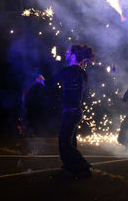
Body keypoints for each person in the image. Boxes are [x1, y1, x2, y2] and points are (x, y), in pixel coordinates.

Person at [36, 44, 95, 178]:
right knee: (71, 140)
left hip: (70, 112)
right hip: (76, 112)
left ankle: (83, 167)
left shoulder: (66, 71)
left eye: (69, 53)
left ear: (74, 56)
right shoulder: (83, 74)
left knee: (64, 141)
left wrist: (41, 80)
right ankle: (71, 167)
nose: (66, 54)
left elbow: (48, 84)